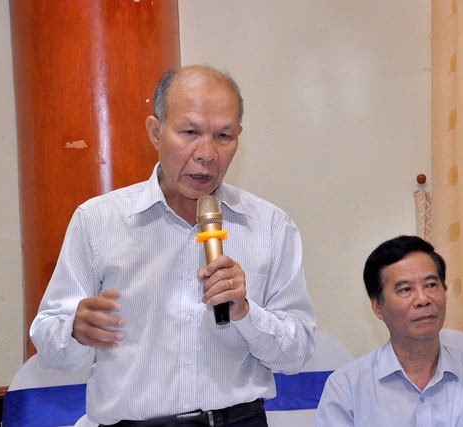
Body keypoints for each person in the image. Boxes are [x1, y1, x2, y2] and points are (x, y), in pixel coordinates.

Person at [30, 65, 316, 426]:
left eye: (223, 136)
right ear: (156, 131)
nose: (207, 153)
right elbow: (48, 342)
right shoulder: (98, 221)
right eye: (190, 132)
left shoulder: (271, 226)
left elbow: (296, 354)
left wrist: (246, 312)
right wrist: (74, 329)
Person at [315, 235, 463, 427]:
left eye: (431, 285)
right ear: (377, 306)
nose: (423, 299)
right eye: (405, 289)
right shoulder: (347, 388)